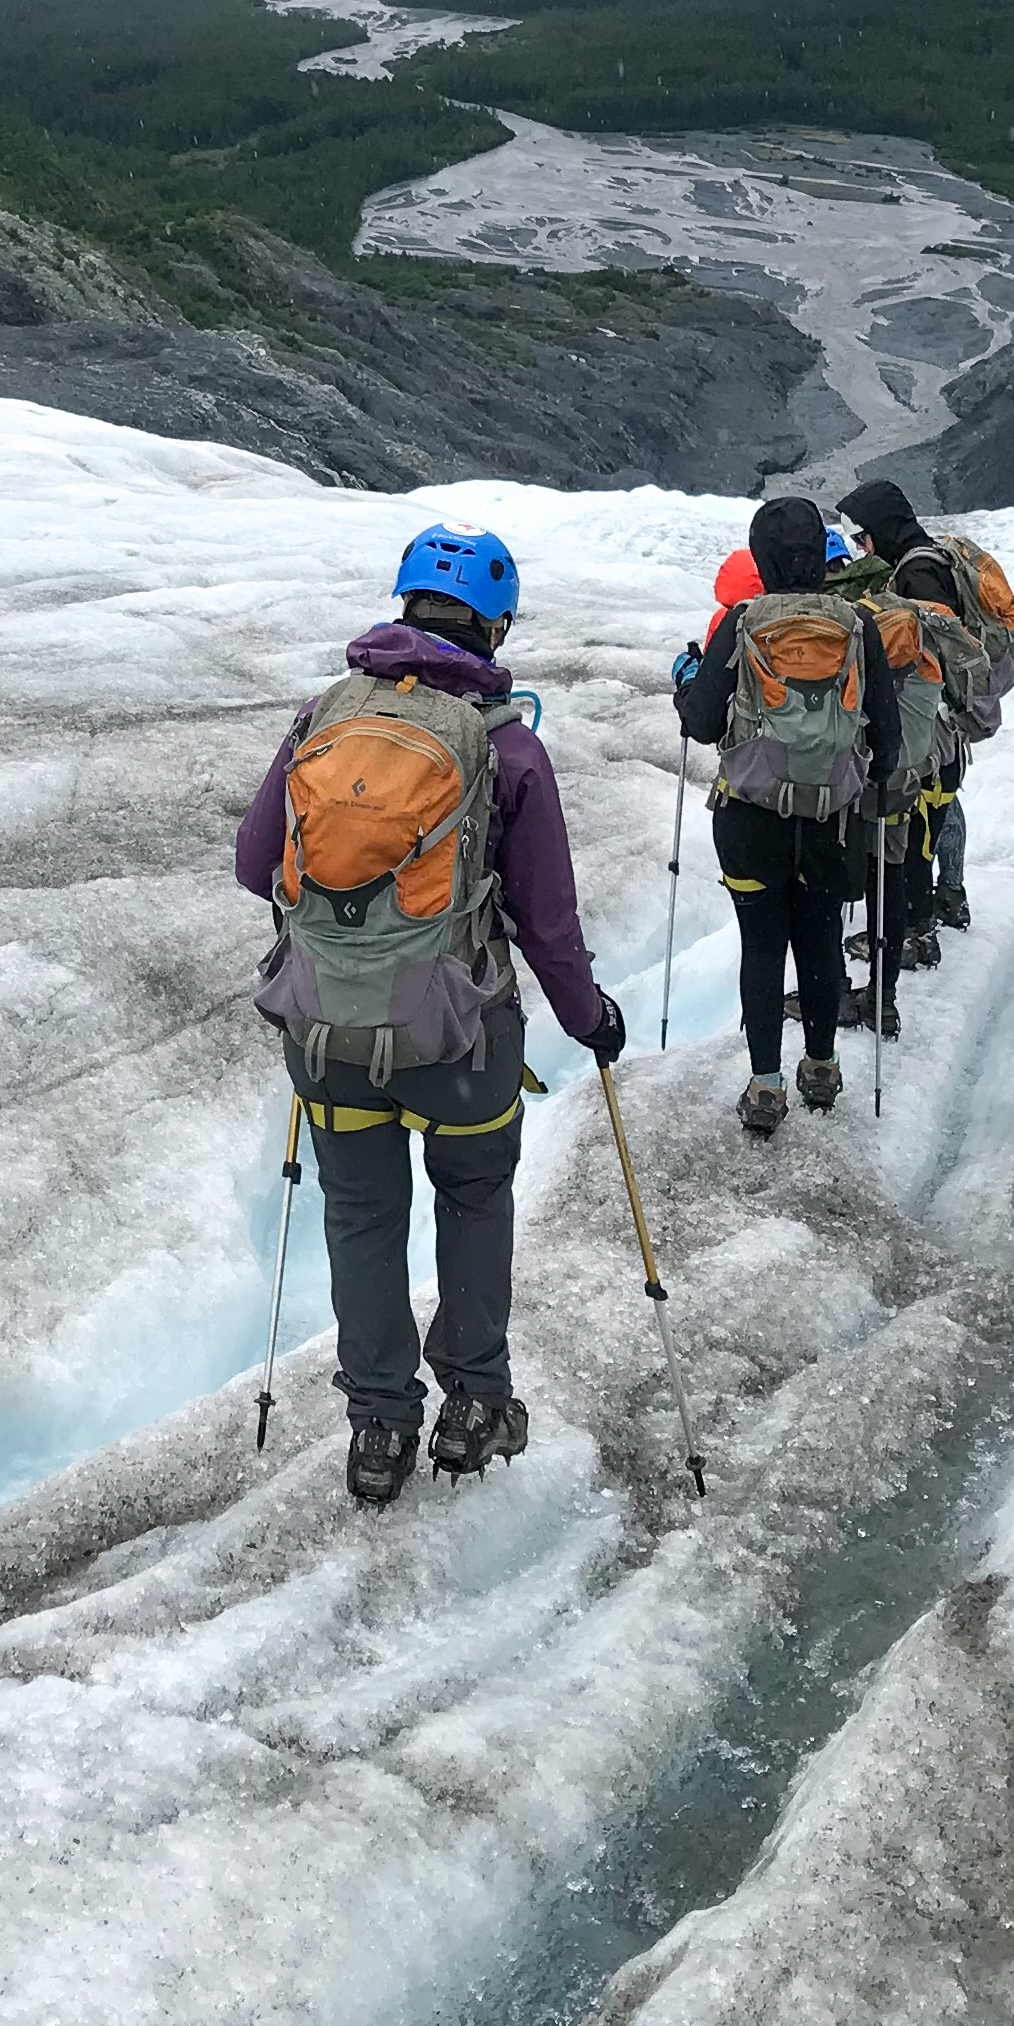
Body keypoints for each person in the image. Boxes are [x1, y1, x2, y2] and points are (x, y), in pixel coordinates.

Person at [237, 524, 624, 1507]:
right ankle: (475, 1404)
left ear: (403, 605)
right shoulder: (508, 746)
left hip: (326, 1030)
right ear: (494, 624)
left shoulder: (321, 717)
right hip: (461, 1035)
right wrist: (590, 1020)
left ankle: (379, 1427)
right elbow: (547, 919)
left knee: (363, 1217)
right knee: (472, 1199)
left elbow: (254, 864)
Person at [675, 498, 924, 1137]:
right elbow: (888, 744)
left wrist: (687, 680)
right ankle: (822, 1066)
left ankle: (764, 1086)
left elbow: (701, 722)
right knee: (817, 939)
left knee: (762, 946)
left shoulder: (741, 621)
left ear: (761, 557)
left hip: (750, 818)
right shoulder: (858, 626)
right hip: (831, 824)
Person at [835, 479, 1014, 959]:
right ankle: (931, 912)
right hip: (947, 727)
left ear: (880, 529)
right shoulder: (929, 557)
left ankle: (913, 934)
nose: (861, 549)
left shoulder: (917, 576)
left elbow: (936, 654)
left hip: (933, 727)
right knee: (929, 822)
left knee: (914, 831)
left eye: (863, 538)